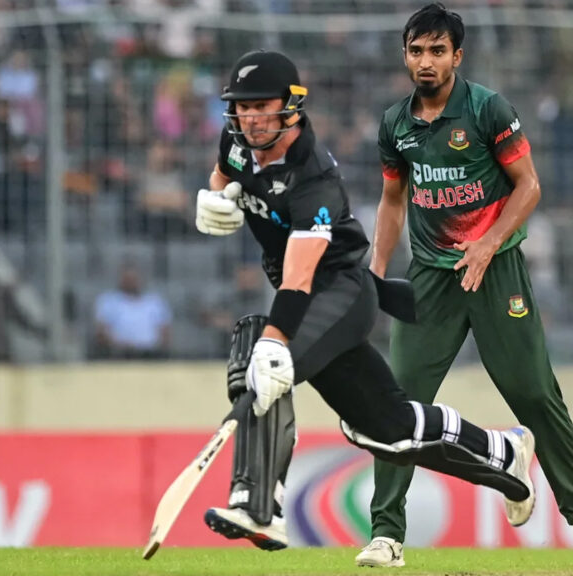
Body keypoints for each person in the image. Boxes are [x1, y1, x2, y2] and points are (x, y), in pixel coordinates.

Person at [194, 48, 537, 555]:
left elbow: (300, 275)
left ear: (290, 107)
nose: (250, 118)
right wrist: (215, 198)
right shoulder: (237, 142)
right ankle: (503, 453)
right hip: (305, 297)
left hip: (339, 293)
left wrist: (276, 338)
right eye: (242, 108)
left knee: (265, 360)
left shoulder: (314, 177)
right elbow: (223, 175)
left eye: (261, 106)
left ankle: (259, 506)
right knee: (387, 431)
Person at [360, 3, 573, 568]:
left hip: (496, 269)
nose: (426, 61)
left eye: (437, 51)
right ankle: (386, 535)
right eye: (416, 51)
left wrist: (487, 242)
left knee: (534, 393)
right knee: (397, 406)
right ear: (405, 55)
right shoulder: (395, 124)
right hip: (430, 278)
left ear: (457, 55)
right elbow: (392, 200)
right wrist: (375, 271)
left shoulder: (486, 109)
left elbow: (529, 186)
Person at [93, 262, 172, 359]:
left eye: (134, 279)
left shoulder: (155, 302)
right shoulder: (108, 301)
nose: (131, 282)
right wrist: (120, 346)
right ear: (121, 280)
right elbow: (101, 333)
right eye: (127, 279)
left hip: (150, 355)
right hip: (118, 355)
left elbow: (165, 333)